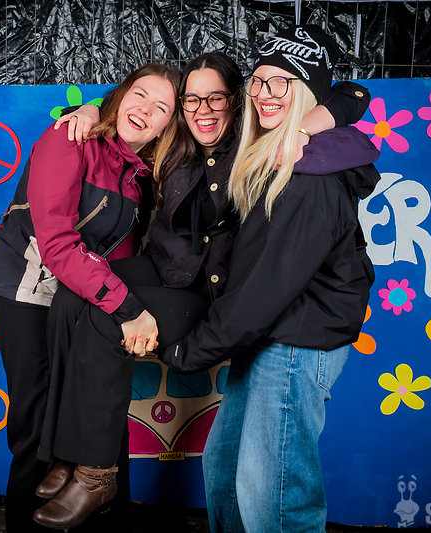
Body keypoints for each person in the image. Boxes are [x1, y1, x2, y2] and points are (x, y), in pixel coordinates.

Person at [33, 49, 370, 529]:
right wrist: (87, 110)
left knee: (268, 487)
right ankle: (71, 452)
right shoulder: (171, 141)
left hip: (231, 304)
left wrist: (303, 130)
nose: (203, 109)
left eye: (216, 98)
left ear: (235, 101)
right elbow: (133, 108)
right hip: (181, 281)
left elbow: (353, 99)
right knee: (73, 298)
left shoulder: (266, 143)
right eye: (191, 100)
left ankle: (96, 472)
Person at [159, 25, 381, 532]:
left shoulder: (308, 179)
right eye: (258, 81)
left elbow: (262, 291)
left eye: (282, 83)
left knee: (276, 500)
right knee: (225, 475)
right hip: (266, 338)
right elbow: (349, 96)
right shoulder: (268, 148)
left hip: (296, 344)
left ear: (304, 93)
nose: (265, 93)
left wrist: (189, 351)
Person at [0, 62, 180, 532]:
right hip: (27, 289)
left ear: (168, 127)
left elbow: (122, 260)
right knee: (36, 425)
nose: (145, 109)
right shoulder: (69, 137)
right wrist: (128, 308)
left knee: (100, 416)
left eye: (161, 107)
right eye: (140, 94)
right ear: (120, 94)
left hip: (84, 300)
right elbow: (57, 244)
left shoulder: (142, 175)